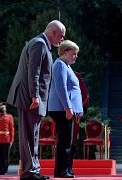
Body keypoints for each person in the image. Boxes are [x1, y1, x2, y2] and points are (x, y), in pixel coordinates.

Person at [6, 20, 66, 180]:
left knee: (32, 135)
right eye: (61, 36)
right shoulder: (39, 44)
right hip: (30, 97)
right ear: (53, 32)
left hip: (32, 97)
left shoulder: (40, 44)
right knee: (29, 135)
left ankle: (33, 170)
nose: (61, 40)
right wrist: (35, 96)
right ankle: (29, 172)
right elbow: (34, 72)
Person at [48, 40, 83, 178]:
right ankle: (62, 171)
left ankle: (65, 169)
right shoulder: (60, 65)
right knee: (64, 142)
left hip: (66, 109)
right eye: (73, 54)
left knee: (67, 141)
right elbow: (61, 88)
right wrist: (68, 108)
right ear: (65, 52)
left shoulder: (65, 66)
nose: (76, 56)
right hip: (62, 109)